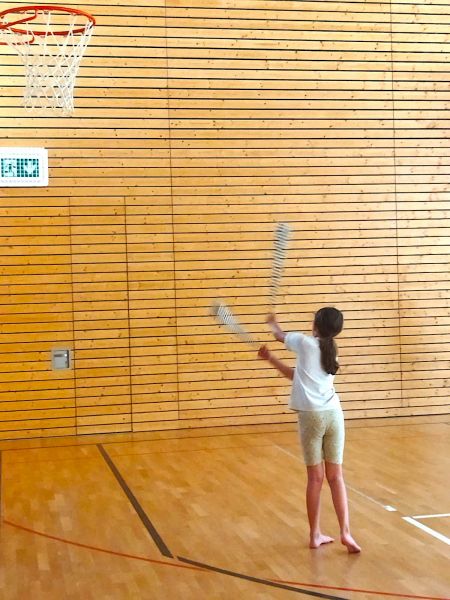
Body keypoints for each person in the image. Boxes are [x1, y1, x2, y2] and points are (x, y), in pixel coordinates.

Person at [258, 307, 361, 553]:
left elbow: (280, 336)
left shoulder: (305, 343)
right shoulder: (332, 350)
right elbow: (297, 376)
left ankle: (315, 535)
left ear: (316, 323)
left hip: (311, 418)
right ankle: (346, 533)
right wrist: (271, 359)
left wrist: (272, 323)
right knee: (336, 477)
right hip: (334, 415)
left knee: (315, 478)